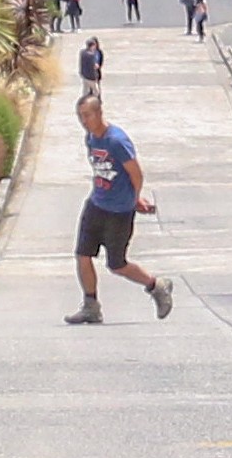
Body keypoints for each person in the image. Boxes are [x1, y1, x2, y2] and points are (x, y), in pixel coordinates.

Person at [66, 90, 175, 325]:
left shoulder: (117, 141)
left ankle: (156, 285)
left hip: (119, 212)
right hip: (96, 204)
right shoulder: (91, 138)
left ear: (99, 113)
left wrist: (135, 199)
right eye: (80, 116)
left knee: (117, 264)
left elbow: (136, 174)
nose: (84, 121)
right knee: (83, 254)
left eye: (87, 115)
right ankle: (91, 306)